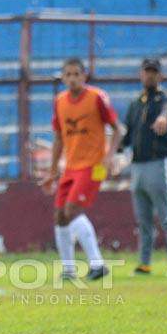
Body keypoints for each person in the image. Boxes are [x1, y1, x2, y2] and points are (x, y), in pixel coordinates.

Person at [40, 58, 122, 281]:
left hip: (94, 165)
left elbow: (118, 129)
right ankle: (68, 270)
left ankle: (98, 264)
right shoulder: (59, 101)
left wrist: (109, 156)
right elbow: (58, 137)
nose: (73, 78)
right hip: (71, 167)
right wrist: (52, 171)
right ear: (63, 78)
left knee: (72, 210)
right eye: (68, 74)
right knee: (60, 216)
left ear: (84, 76)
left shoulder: (97, 98)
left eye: (77, 74)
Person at [121, 58, 167, 275]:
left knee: (166, 214)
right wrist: (113, 151)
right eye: (147, 71)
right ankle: (144, 263)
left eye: (154, 72)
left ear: (160, 76)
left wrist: (164, 117)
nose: (150, 75)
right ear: (141, 74)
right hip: (138, 166)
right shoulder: (136, 103)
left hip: (158, 163)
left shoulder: (165, 98)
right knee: (143, 219)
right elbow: (127, 135)